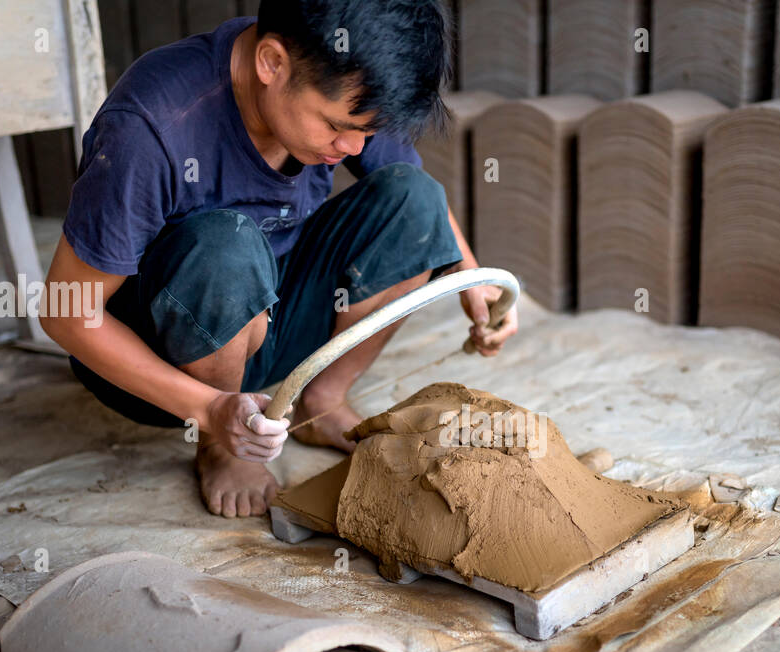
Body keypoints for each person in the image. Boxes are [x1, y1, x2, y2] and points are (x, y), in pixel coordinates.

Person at [41, 0, 517, 518]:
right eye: (337, 125)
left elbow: (415, 200)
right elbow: (67, 313)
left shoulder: (340, 80)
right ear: (271, 63)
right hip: (163, 354)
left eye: (367, 131)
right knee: (227, 246)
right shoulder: (151, 126)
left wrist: (471, 279)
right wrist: (210, 411)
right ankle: (223, 443)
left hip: (267, 316)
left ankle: (323, 398)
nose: (352, 145)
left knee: (415, 198)